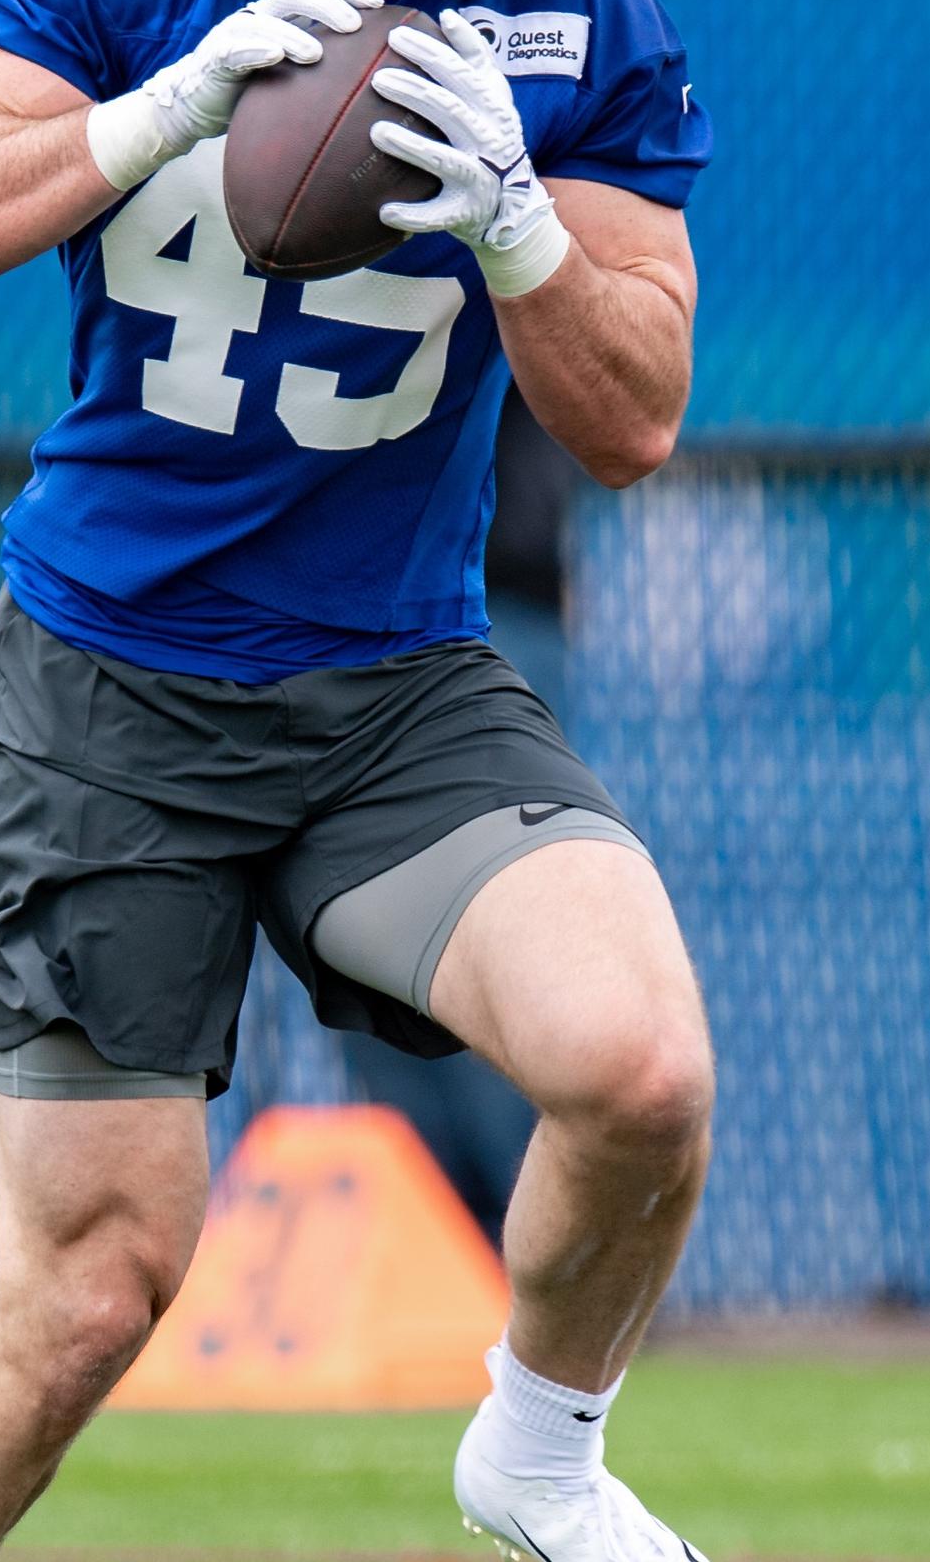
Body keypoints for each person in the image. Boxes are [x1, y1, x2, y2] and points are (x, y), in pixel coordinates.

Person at [0, 0, 715, 1562]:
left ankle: (543, 1450)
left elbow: (637, 410)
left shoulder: (583, 24)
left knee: (644, 1064)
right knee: (89, 1293)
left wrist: (522, 226)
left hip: (395, 677)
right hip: (117, 683)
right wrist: (153, 112)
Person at [336, 392, 591, 1248]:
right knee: (361, 949)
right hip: (342, 620)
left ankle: (543, 1246)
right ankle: (442, 1246)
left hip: (479, 612)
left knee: (500, 945)